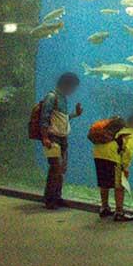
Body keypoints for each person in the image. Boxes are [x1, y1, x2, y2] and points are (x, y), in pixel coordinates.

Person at [40, 72, 83, 209]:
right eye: (73, 87)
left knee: (61, 169)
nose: (73, 90)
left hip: (63, 138)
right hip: (52, 138)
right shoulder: (52, 97)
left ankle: (57, 197)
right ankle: (49, 200)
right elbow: (44, 118)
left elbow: (61, 120)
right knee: (55, 168)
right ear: (66, 84)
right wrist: (45, 137)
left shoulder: (63, 98)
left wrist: (75, 114)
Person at [93, 114, 133, 221]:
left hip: (98, 153)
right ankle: (119, 212)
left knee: (104, 182)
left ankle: (104, 208)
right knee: (120, 184)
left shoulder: (120, 130)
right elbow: (128, 151)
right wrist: (125, 168)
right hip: (112, 156)